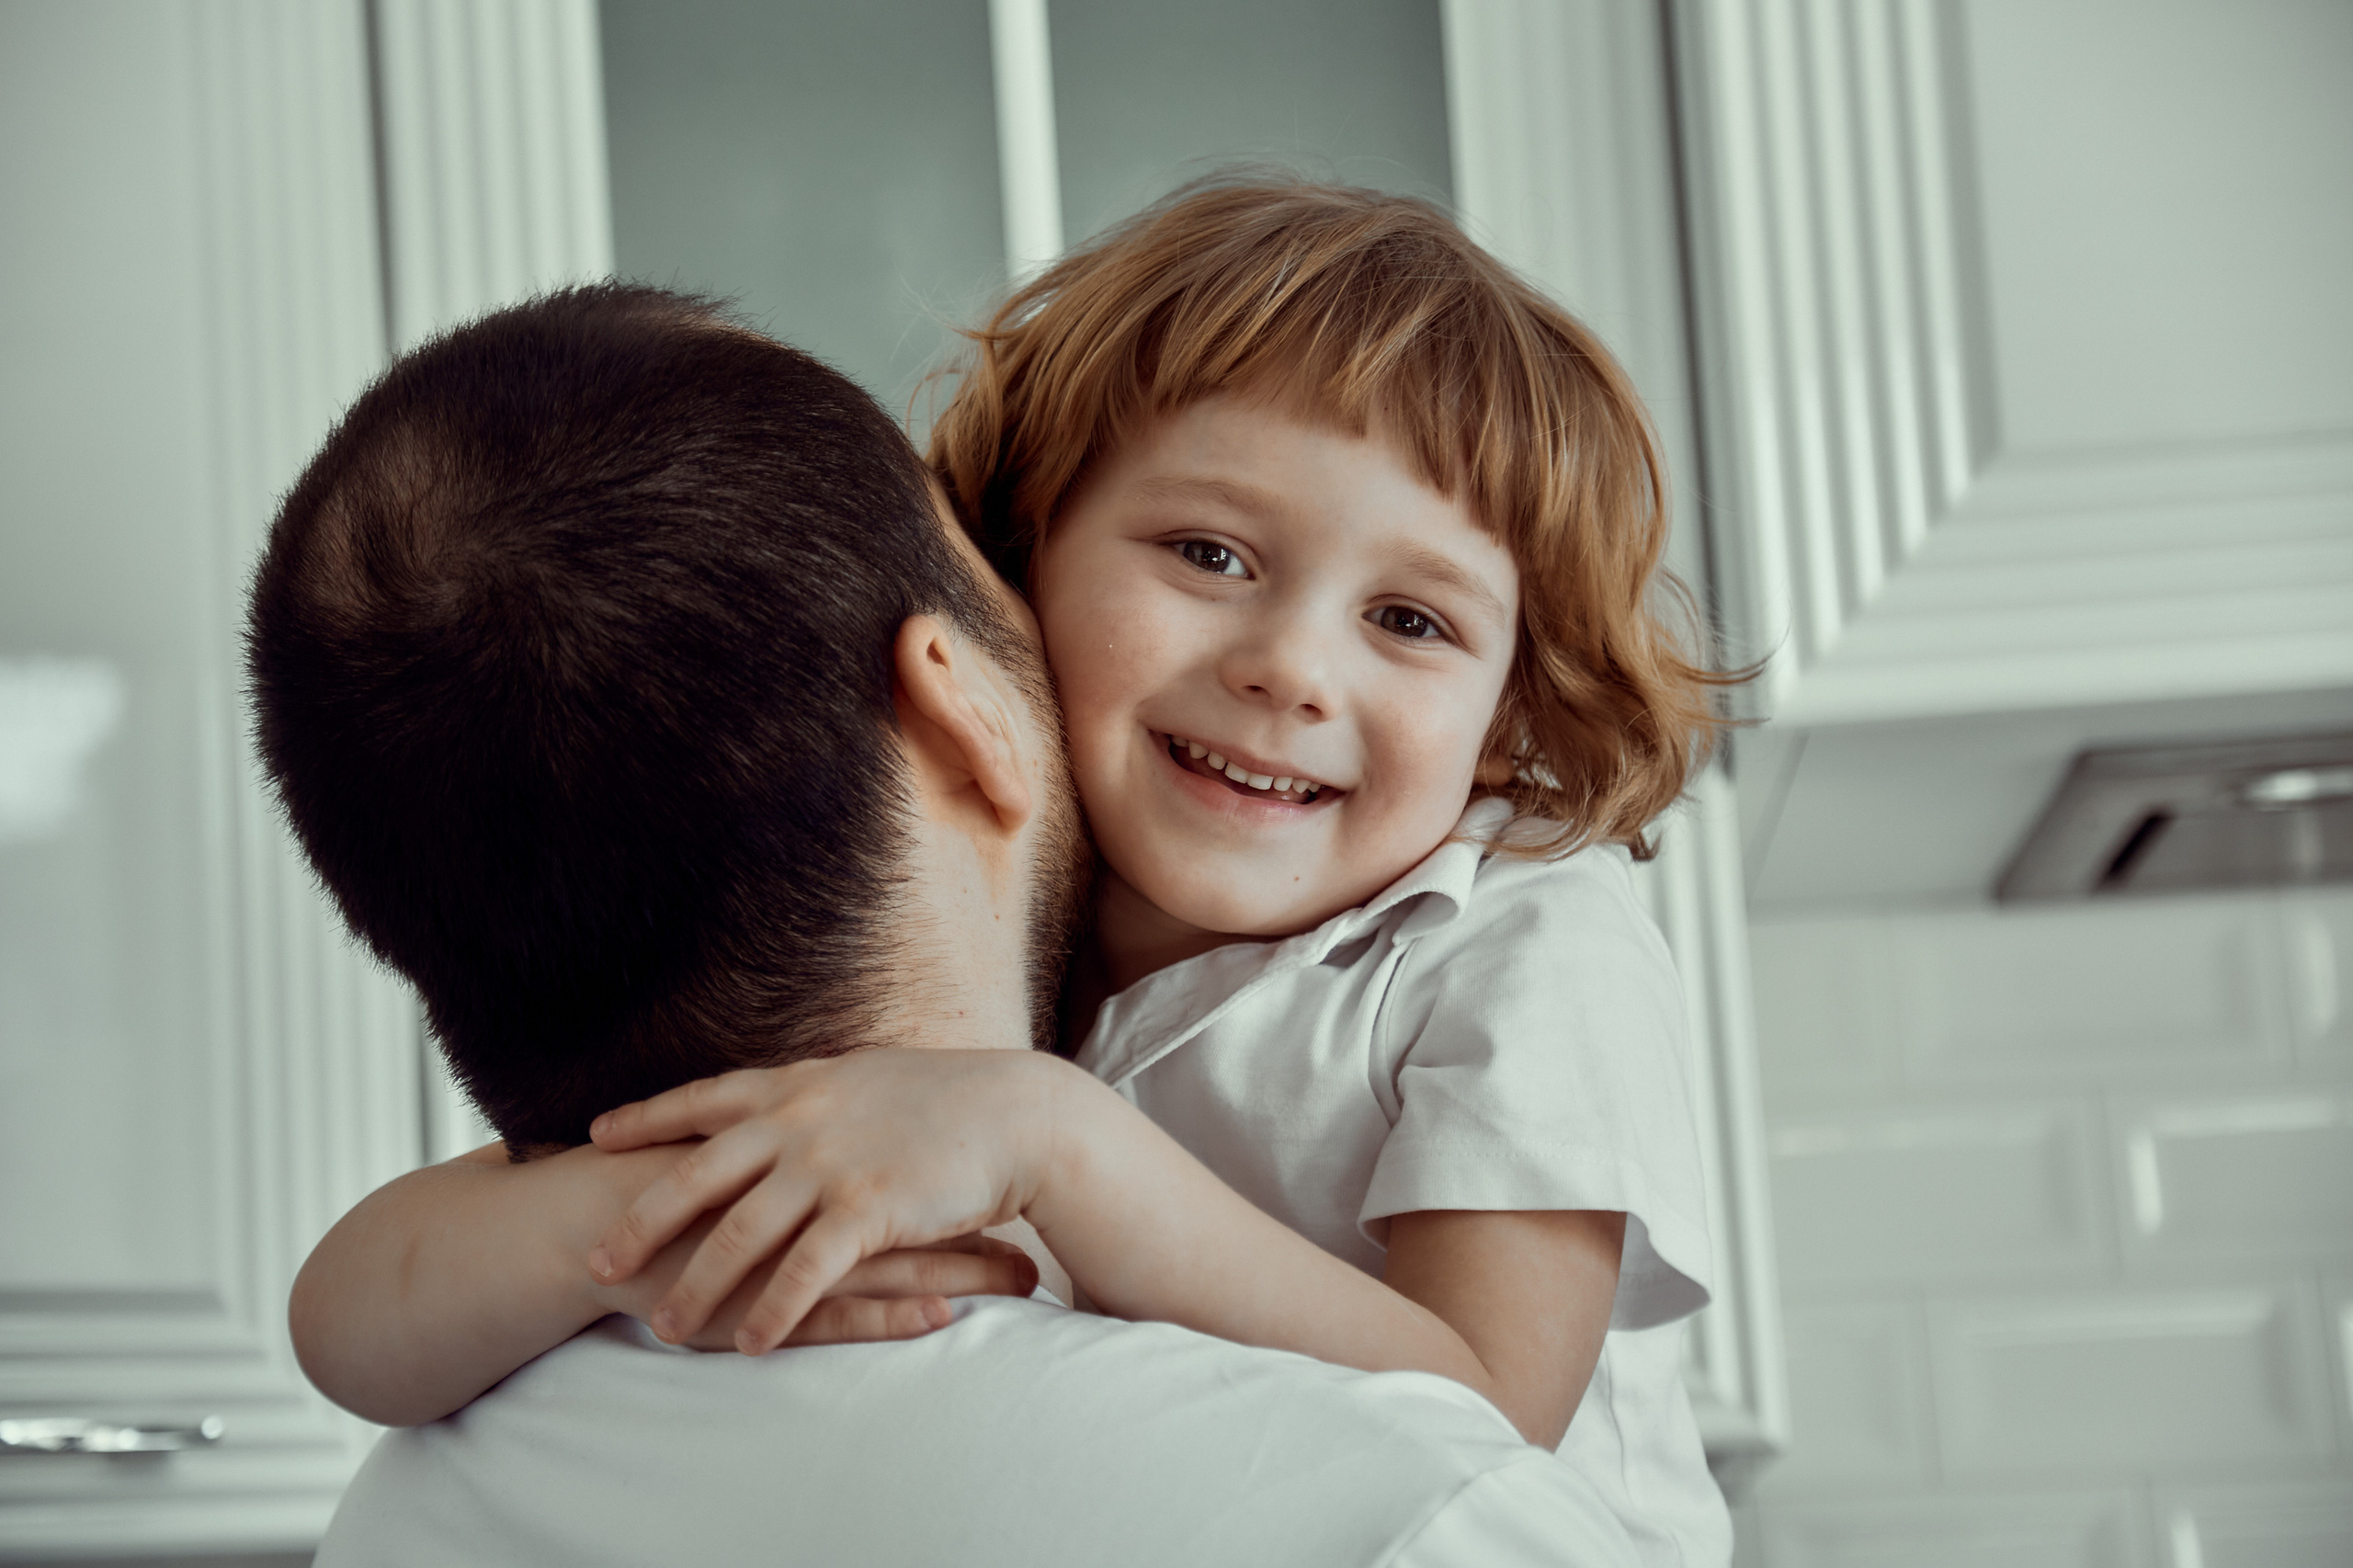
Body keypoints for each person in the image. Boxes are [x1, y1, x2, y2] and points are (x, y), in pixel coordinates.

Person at [296, 181, 1739, 1566]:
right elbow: (350, 1319)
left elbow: (1482, 1417)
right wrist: (625, 1229)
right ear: (1023, 541)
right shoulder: (1007, 938)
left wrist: (1060, 1141)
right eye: (1209, 550)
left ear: (1508, 718)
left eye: (1413, 621)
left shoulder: (1528, 947)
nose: (1290, 667)